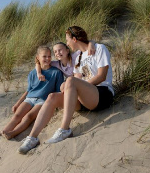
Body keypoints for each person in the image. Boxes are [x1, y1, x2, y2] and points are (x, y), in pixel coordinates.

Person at [18, 26, 114, 154]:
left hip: (102, 94)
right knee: (52, 96)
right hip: (84, 99)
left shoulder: (99, 48)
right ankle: (32, 137)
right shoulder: (78, 57)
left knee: (70, 81)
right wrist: (68, 87)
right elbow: (76, 77)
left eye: (67, 41)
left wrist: (77, 84)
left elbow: (101, 76)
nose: (67, 44)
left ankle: (64, 129)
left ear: (74, 39)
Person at [0, 46, 64, 140]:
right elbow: (28, 90)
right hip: (30, 99)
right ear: (38, 57)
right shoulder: (32, 73)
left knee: (28, 116)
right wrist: (17, 103)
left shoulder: (56, 72)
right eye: (44, 56)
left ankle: (13, 133)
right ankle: (1, 133)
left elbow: (58, 92)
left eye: (49, 56)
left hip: (43, 100)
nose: (47, 59)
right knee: (17, 115)